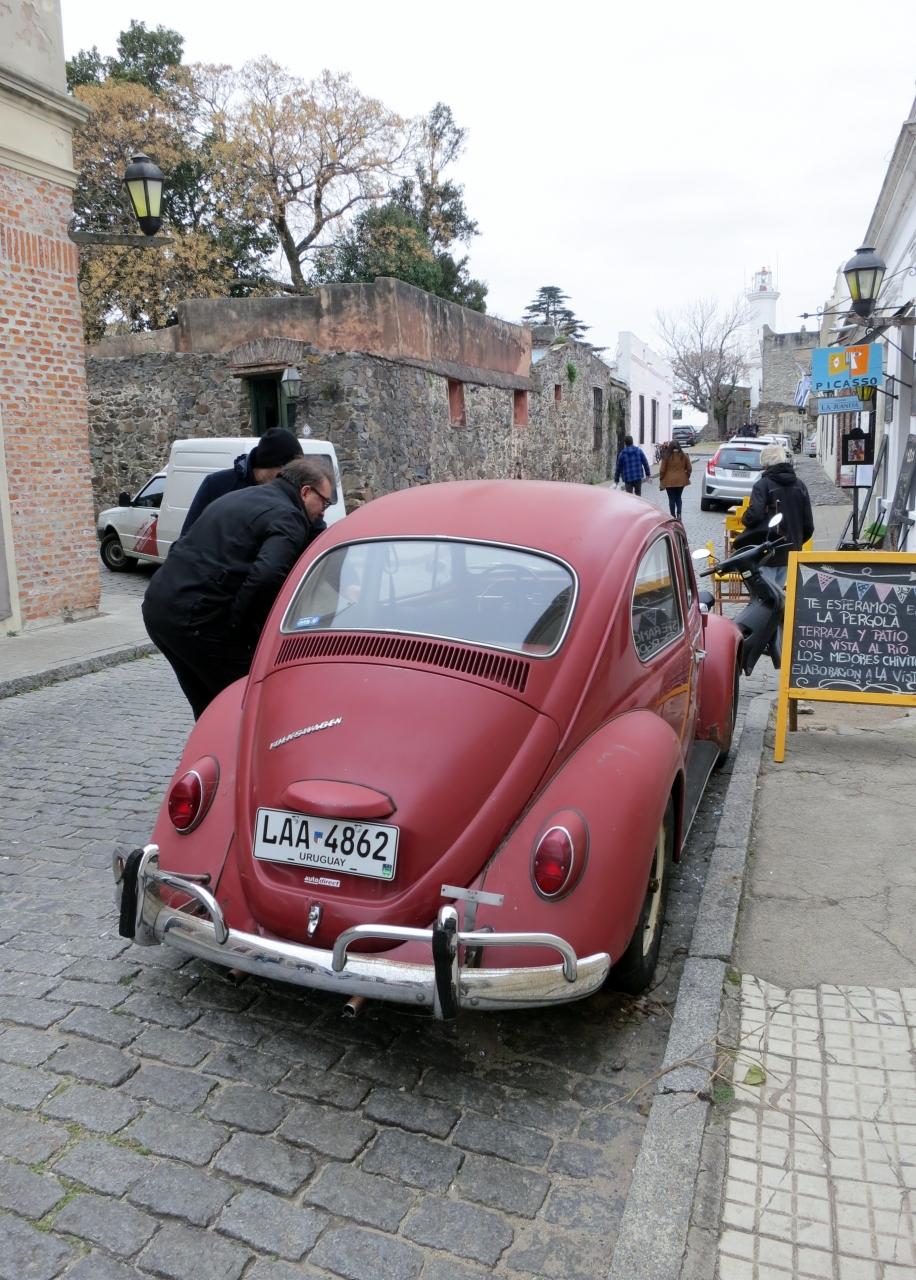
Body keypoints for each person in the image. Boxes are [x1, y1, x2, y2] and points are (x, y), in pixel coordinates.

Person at [143, 456, 334, 719]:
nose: (324, 511)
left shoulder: (242, 496)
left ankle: (212, 741)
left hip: (159, 608)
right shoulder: (289, 516)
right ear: (305, 491)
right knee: (251, 701)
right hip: (196, 619)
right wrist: (244, 630)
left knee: (210, 706)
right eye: (324, 502)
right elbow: (267, 578)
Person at [180, 427, 304, 535]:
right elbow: (188, 535)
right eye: (291, 470)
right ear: (278, 465)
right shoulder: (217, 484)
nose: (292, 477)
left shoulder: (293, 492)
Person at [740, 444, 814, 586]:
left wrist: (745, 518)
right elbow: (808, 525)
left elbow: (754, 515)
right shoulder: (800, 485)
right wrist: (796, 542)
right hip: (791, 551)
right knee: (781, 593)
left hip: (767, 551)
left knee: (766, 594)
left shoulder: (762, 485)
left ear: (765, 464)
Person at [658, 440, 692, 519]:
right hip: (681, 480)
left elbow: (662, 470)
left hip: (669, 481)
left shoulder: (666, 456)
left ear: (670, 447)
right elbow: (689, 468)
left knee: (671, 499)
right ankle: (679, 514)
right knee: (678, 497)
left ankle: (672, 516)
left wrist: (661, 478)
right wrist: (686, 476)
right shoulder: (684, 455)